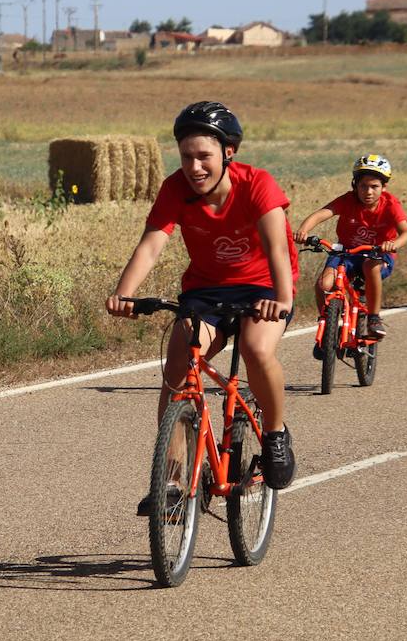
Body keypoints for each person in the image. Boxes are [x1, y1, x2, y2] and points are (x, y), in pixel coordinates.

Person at [106, 102, 297, 497]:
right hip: (207, 291)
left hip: (264, 287)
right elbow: (151, 246)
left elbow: (278, 249)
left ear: (229, 153)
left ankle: (275, 435)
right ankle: (172, 479)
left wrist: (281, 298)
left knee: (255, 349)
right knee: (178, 368)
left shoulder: (258, 185)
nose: (194, 168)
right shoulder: (175, 189)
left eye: (204, 157)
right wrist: (124, 293)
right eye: (186, 157)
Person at [294, 155, 407, 343]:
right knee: (322, 285)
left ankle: (374, 318)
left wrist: (393, 244)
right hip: (346, 252)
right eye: (363, 186)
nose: (368, 191)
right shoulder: (348, 200)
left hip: (377, 255)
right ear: (355, 185)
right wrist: (303, 230)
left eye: (374, 187)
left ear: (384, 188)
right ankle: (327, 325)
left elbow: (406, 233)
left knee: (370, 266)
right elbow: (322, 214)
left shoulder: (390, 204)